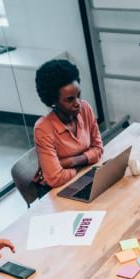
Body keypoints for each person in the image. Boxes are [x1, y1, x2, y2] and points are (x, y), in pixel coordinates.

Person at [33, 58, 103, 188]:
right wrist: (85, 162)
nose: (77, 103)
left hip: (85, 177)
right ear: (53, 100)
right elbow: (55, 178)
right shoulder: (43, 129)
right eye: (70, 99)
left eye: (78, 95)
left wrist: (70, 162)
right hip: (57, 189)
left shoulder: (85, 108)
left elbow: (98, 149)